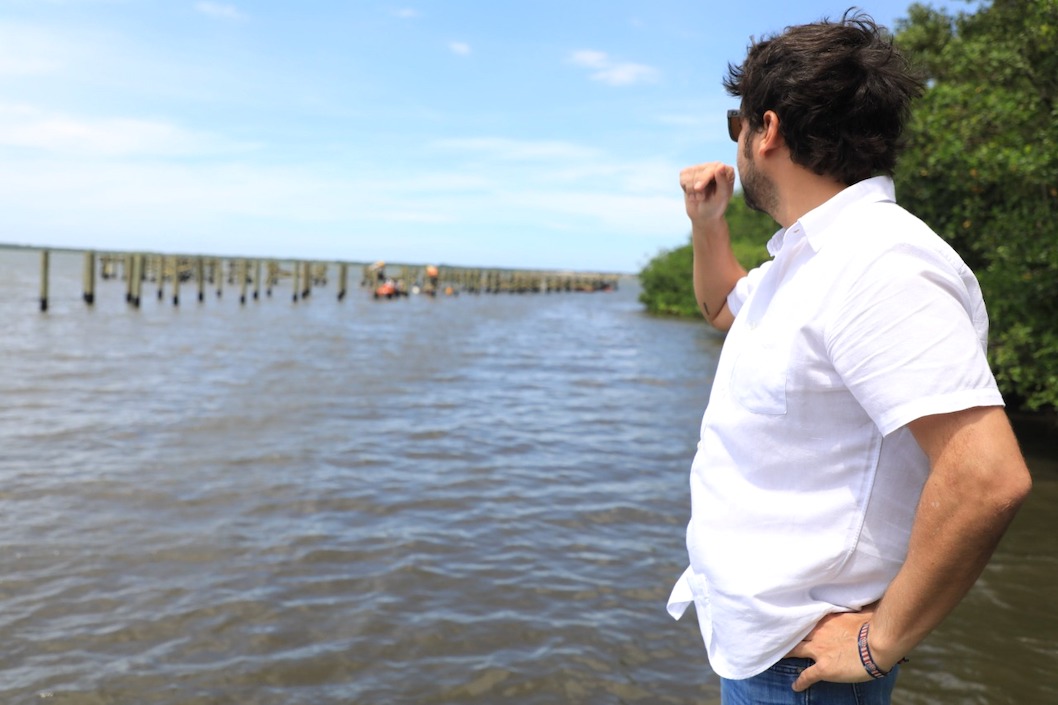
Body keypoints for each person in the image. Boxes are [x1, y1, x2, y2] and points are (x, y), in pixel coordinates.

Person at [666, 12, 1032, 705]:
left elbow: (987, 476)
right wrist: (707, 224)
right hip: (762, 646)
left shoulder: (880, 263)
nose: (737, 144)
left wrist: (878, 641)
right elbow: (720, 307)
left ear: (765, 129)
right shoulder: (808, 259)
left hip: (801, 671)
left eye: (735, 125)